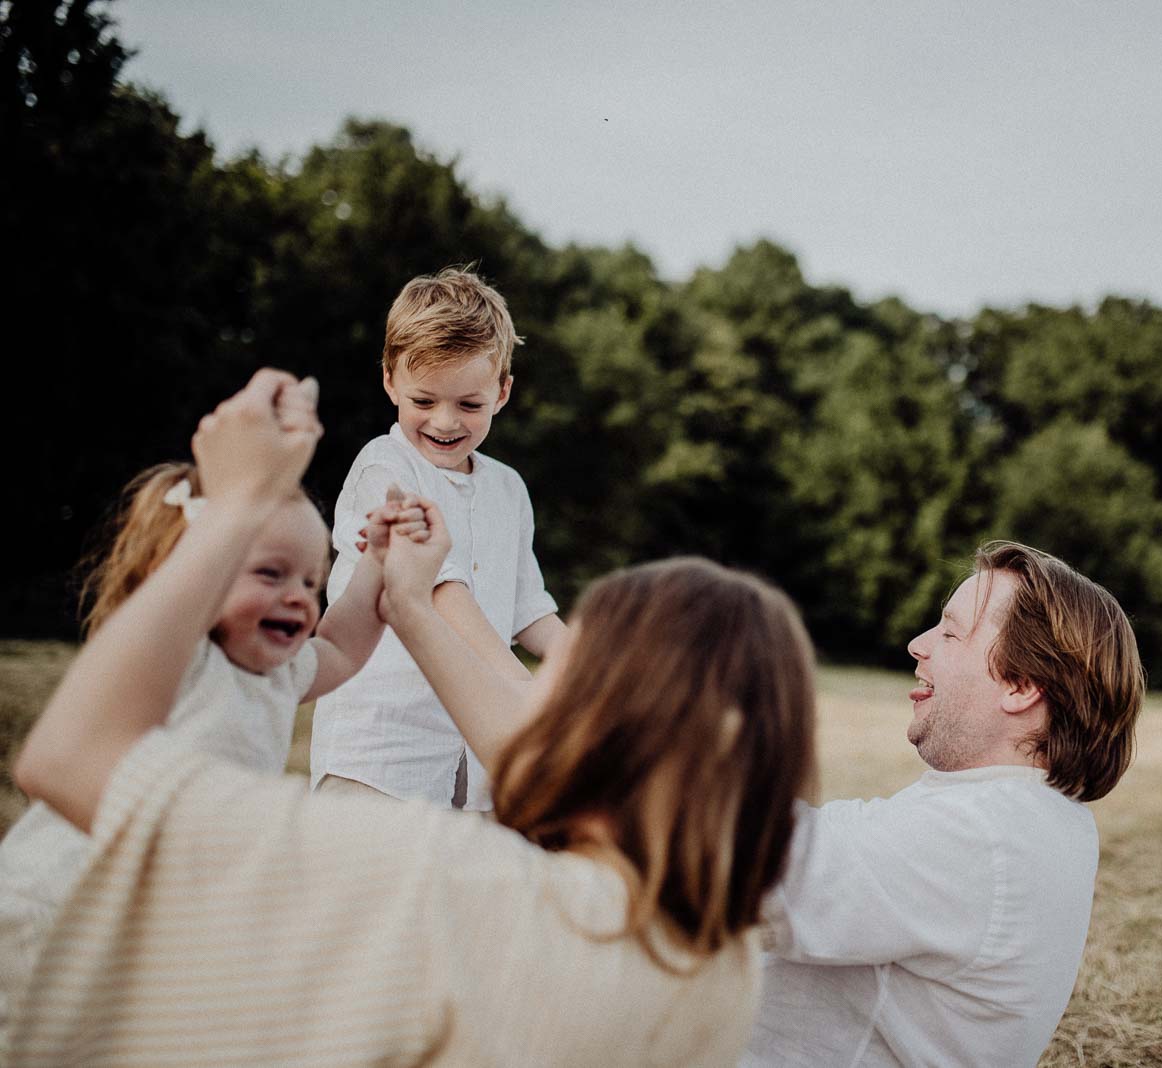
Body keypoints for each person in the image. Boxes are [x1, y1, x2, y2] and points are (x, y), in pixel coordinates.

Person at [8, 370, 817, 1066]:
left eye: (576, 654)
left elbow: (69, 758)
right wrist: (408, 601)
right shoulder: (719, 974)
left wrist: (236, 504)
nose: (543, 660)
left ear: (613, 722)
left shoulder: (444, 883)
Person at [0, 442, 402, 1033]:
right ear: (189, 572)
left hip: (146, 915)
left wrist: (377, 562)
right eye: (270, 572)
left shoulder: (277, 674)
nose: (298, 595)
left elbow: (341, 647)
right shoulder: (179, 657)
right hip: (58, 903)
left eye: (312, 581)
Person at [743, 542, 1145, 1067]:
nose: (917, 644)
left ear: (1021, 684)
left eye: (951, 632)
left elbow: (751, 868)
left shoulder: (983, 832)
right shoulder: (1036, 816)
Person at [311, 266, 566, 811]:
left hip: (478, 767)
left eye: (469, 405)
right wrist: (526, 694)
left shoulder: (508, 488)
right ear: (389, 381)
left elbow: (528, 608)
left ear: (502, 391)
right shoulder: (384, 467)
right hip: (381, 755)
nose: (445, 422)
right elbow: (438, 594)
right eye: (423, 401)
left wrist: (591, 672)